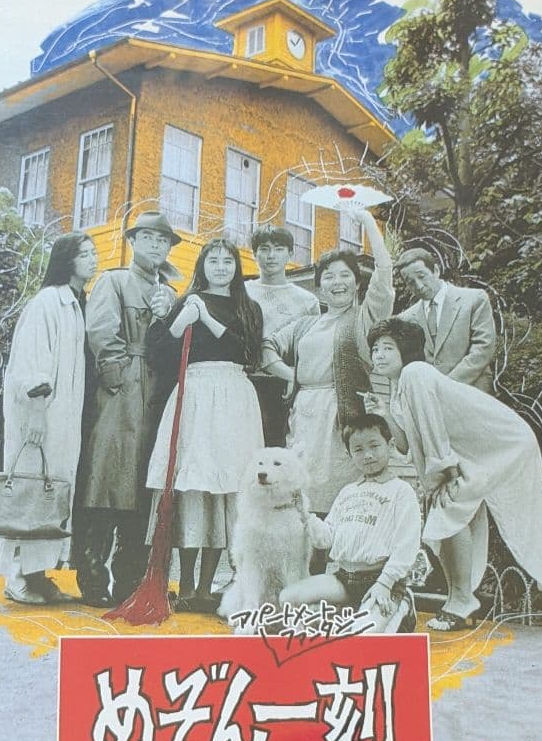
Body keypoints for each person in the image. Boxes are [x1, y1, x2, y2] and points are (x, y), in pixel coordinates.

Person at [364, 317, 542, 631]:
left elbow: (432, 428)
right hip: (470, 452)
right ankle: (461, 597)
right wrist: (383, 412)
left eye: (387, 348)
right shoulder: (399, 386)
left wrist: (440, 473)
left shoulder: (416, 373)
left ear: (406, 349)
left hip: (502, 443)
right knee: (451, 510)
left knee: (449, 506)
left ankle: (462, 599)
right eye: (375, 349)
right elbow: (405, 445)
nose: (379, 355)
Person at [145, 238, 264, 612]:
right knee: (194, 486)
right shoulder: (187, 301)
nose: (221, 267)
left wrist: (207, 319)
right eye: (213, 261)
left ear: (237, 268)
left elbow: (249, 352)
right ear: (201, 266)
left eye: (228, 261)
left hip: (233, 395)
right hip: (195, 393)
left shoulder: (248, 307)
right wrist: (181, 321)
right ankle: (187, 584)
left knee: (224, 488)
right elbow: (159, 355)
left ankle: (208, 586)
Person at [71, 211, 181, 607]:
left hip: (158, 390)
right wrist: (115, 376)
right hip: (122, 390)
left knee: (142, 485)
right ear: (132, 241)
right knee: (107, 476)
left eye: (162, 240)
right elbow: (101, 330)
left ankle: (130, 578)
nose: (155, 245)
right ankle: (92, 575)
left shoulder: (169, 291)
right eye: (147, 237)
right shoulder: (114, 280)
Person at [261, 207, 395, 517]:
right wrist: (290, 374)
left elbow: (385, 274)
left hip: (341, 418)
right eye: (329, 277)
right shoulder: (306, 324)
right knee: (300, 498)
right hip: (303, 416)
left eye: (345, 275)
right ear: (320, 287)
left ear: (357, 283)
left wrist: (368, 223)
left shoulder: (364, 319)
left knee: (342, 498)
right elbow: (267, 346)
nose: (338, 282)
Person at [0, 231, 98, 605]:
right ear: (66, 260)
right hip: (41, 416)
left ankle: (38, 576)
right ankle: (17, 576)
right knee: (29, 491)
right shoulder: (46, 302)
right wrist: (37, 413)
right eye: (85, 254)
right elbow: (32, 361)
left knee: (51, 492)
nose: (93, 259)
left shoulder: (75, 303)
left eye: (94, 253)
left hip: (64, 419)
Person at [280, 414, 421, 634]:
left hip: (384, 582)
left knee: (364, 635)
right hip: (344, 579)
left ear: (390, 445)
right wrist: (303, 513)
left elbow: (406, 546)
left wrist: (385, 583)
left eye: (374, 446)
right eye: (358, 449)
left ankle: (402, 606)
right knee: (288, 599)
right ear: (349, 454)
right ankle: (352, 611)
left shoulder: (401, 491)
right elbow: (325, 539)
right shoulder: (347, 492)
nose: (367, 455)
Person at [245, 225, 320, 446]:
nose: (271, 255)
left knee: (283, 450)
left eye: (278, 249)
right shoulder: (242, 292)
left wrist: (294, 377)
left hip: (289, 387)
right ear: (254, 253)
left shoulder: (307, 301)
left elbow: (311, 350)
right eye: (264, 249)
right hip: (247, 381)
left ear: (290, 253)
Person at [395, 247, 496, 392]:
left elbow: (483, 348)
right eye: (410, 282)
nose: (419, 286)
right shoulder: (406, 318)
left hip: (472, 390)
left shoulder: (474, 300)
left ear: (436, 270)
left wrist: (446, 385)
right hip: (429, 395)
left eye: (422, 276)